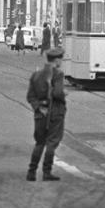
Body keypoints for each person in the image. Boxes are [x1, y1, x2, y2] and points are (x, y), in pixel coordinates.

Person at [26, 47, 66, 181]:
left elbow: (30, 96)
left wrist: (38, 107)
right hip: (54, 112)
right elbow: (57, 93)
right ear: (57, 60)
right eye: (61, 59)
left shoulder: (36, 75)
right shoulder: (58, 74)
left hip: (40, 114)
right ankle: (46, 172)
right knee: (52, 142)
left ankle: (31, 172)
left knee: (39, 142)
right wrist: (63, 94)